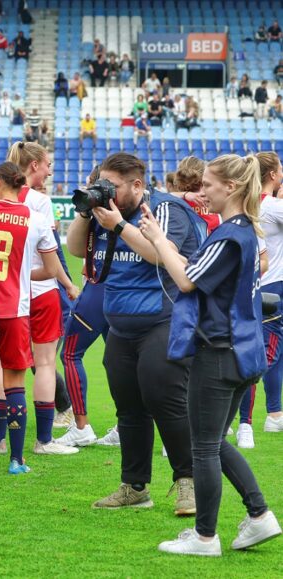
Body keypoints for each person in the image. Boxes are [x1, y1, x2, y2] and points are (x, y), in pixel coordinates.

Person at [141, 154, 282, 557]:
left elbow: (185, 281)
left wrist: (158, 241)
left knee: (202, 446)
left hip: (220, 352)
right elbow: (196, 271)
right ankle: (259, 516)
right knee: (215, 442)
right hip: (242, 351)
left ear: (231, 188)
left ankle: (205, 537)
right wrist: (162, 242)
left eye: (208, 184)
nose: (202, 191)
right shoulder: (242, 232)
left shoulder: (230, 234)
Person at [66, 153, 199, 515]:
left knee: (166, 403)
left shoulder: (164, 209)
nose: (106, 190)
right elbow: (76, 249)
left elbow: (162, 255)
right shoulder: (106, 211)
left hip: (163, 320)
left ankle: (188, 482)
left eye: (112, 184)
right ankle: (135, 486)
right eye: (101, 183)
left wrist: (119, 227)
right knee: (129, 410)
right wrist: (85, 210)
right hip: (121, 323)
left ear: (138, 186)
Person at [0, 161, 62, 472]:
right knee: (14, 381)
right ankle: (16, 459)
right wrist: (22, 274)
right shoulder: (36, 219)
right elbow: (51, 270)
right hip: (14, 308)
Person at [56, 166, 110, 448]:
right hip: (121, 292)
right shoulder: (127, 210)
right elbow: (77, 248)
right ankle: (127, 424)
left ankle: (81, 425)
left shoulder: (112, 214)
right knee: (118, 361)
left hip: (99, 290)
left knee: (70, 352)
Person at [237, 152, 283, 446]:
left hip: (262, 283)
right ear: (273, 175)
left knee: (275, 354)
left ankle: (275, 414)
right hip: (274, 286)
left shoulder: (257, 204)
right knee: (265, 355)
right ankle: (244, 421)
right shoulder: (273, 206)